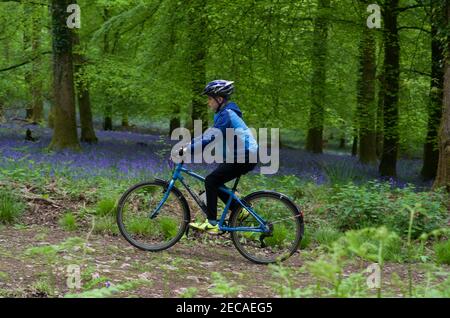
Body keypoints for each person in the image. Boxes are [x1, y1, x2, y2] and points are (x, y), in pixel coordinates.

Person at [181, 80, 258, 234]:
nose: (208, 102)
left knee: (211, 180)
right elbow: (207, 135)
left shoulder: (227, 115)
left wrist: (187, 150)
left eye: (210, 99)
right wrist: (187, 146)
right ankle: (239, 210)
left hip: (245, 156)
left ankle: (212, 223)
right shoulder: (223, 114)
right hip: (242, 156)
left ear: (220, 99)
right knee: (214, 181)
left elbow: (210, 139)